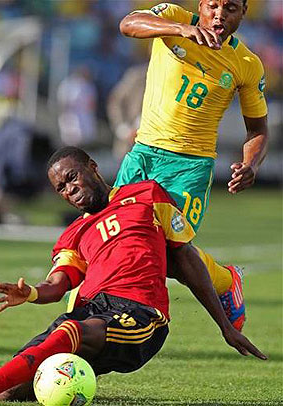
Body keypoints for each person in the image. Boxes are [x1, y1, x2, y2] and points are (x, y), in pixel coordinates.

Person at [0, 147, 267, 406]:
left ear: (92, 167)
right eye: (61, 188)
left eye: (72, 177)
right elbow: (58, 283)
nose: (70, 190)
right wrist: (33, 294)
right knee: (13, 388)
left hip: (140, 314)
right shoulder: (74, 233)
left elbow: (186, 258)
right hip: (90, 312)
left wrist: (225, 325)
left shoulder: (147, 196)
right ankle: (0, 389)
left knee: (71, 330)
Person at [115, 0, 269, 331]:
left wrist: (251, 164)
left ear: (243, 13)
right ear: (201, 5)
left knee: (173, 256)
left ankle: (227, 281)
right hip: (143, 152)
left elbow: (257, 129)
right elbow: (128, 24)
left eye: (230, 8)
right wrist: (181, 29)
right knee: (113, 238)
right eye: (212, 5)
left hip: (189, 165)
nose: (219, 15)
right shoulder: (172, 17)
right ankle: (82, 316)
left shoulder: (247, 63)